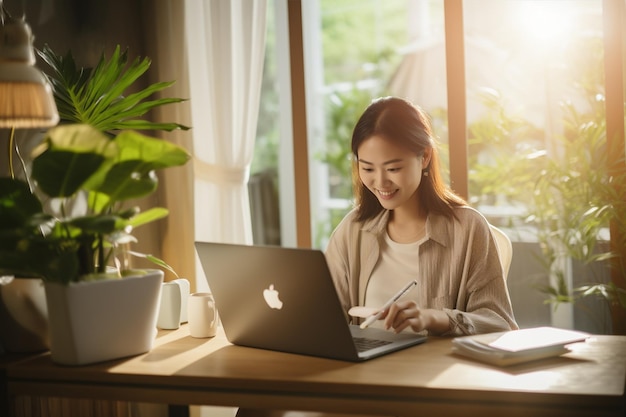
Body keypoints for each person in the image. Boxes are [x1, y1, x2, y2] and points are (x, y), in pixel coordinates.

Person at [236, 96, 518, 417]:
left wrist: (434, 318)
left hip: (429, 390)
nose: (380, 183)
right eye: (367, 168)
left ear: (424, 157)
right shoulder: (354, 229)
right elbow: (324, 314)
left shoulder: (468, 228)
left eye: (393, 168)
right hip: (359, 383)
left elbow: (502, 325)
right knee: (257, 401)